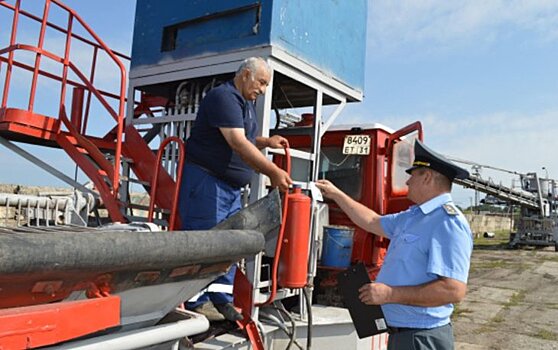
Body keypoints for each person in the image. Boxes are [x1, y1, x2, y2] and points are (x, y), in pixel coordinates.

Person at [316, 140, 473, 349]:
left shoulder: (448, 223)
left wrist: (390, 294)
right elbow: (371, 221)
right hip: (403, 335)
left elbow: (452, 290)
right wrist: (336, 194)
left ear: (426, 177)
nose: (407, 182)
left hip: (421, 338)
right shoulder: (413, 216)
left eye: (412, 175)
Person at [178, 57, 292, 322]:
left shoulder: (245, 103)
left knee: (230, 241)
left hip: (228, 189)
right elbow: (237, 142)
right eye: (261, 83)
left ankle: (221, 299)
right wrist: (273, 172)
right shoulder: (224, 97)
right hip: (207, 183)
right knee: (206, 241)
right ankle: (193, 307)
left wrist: (266, 141)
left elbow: (247, 139)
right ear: (246, 75)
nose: (263, 90)